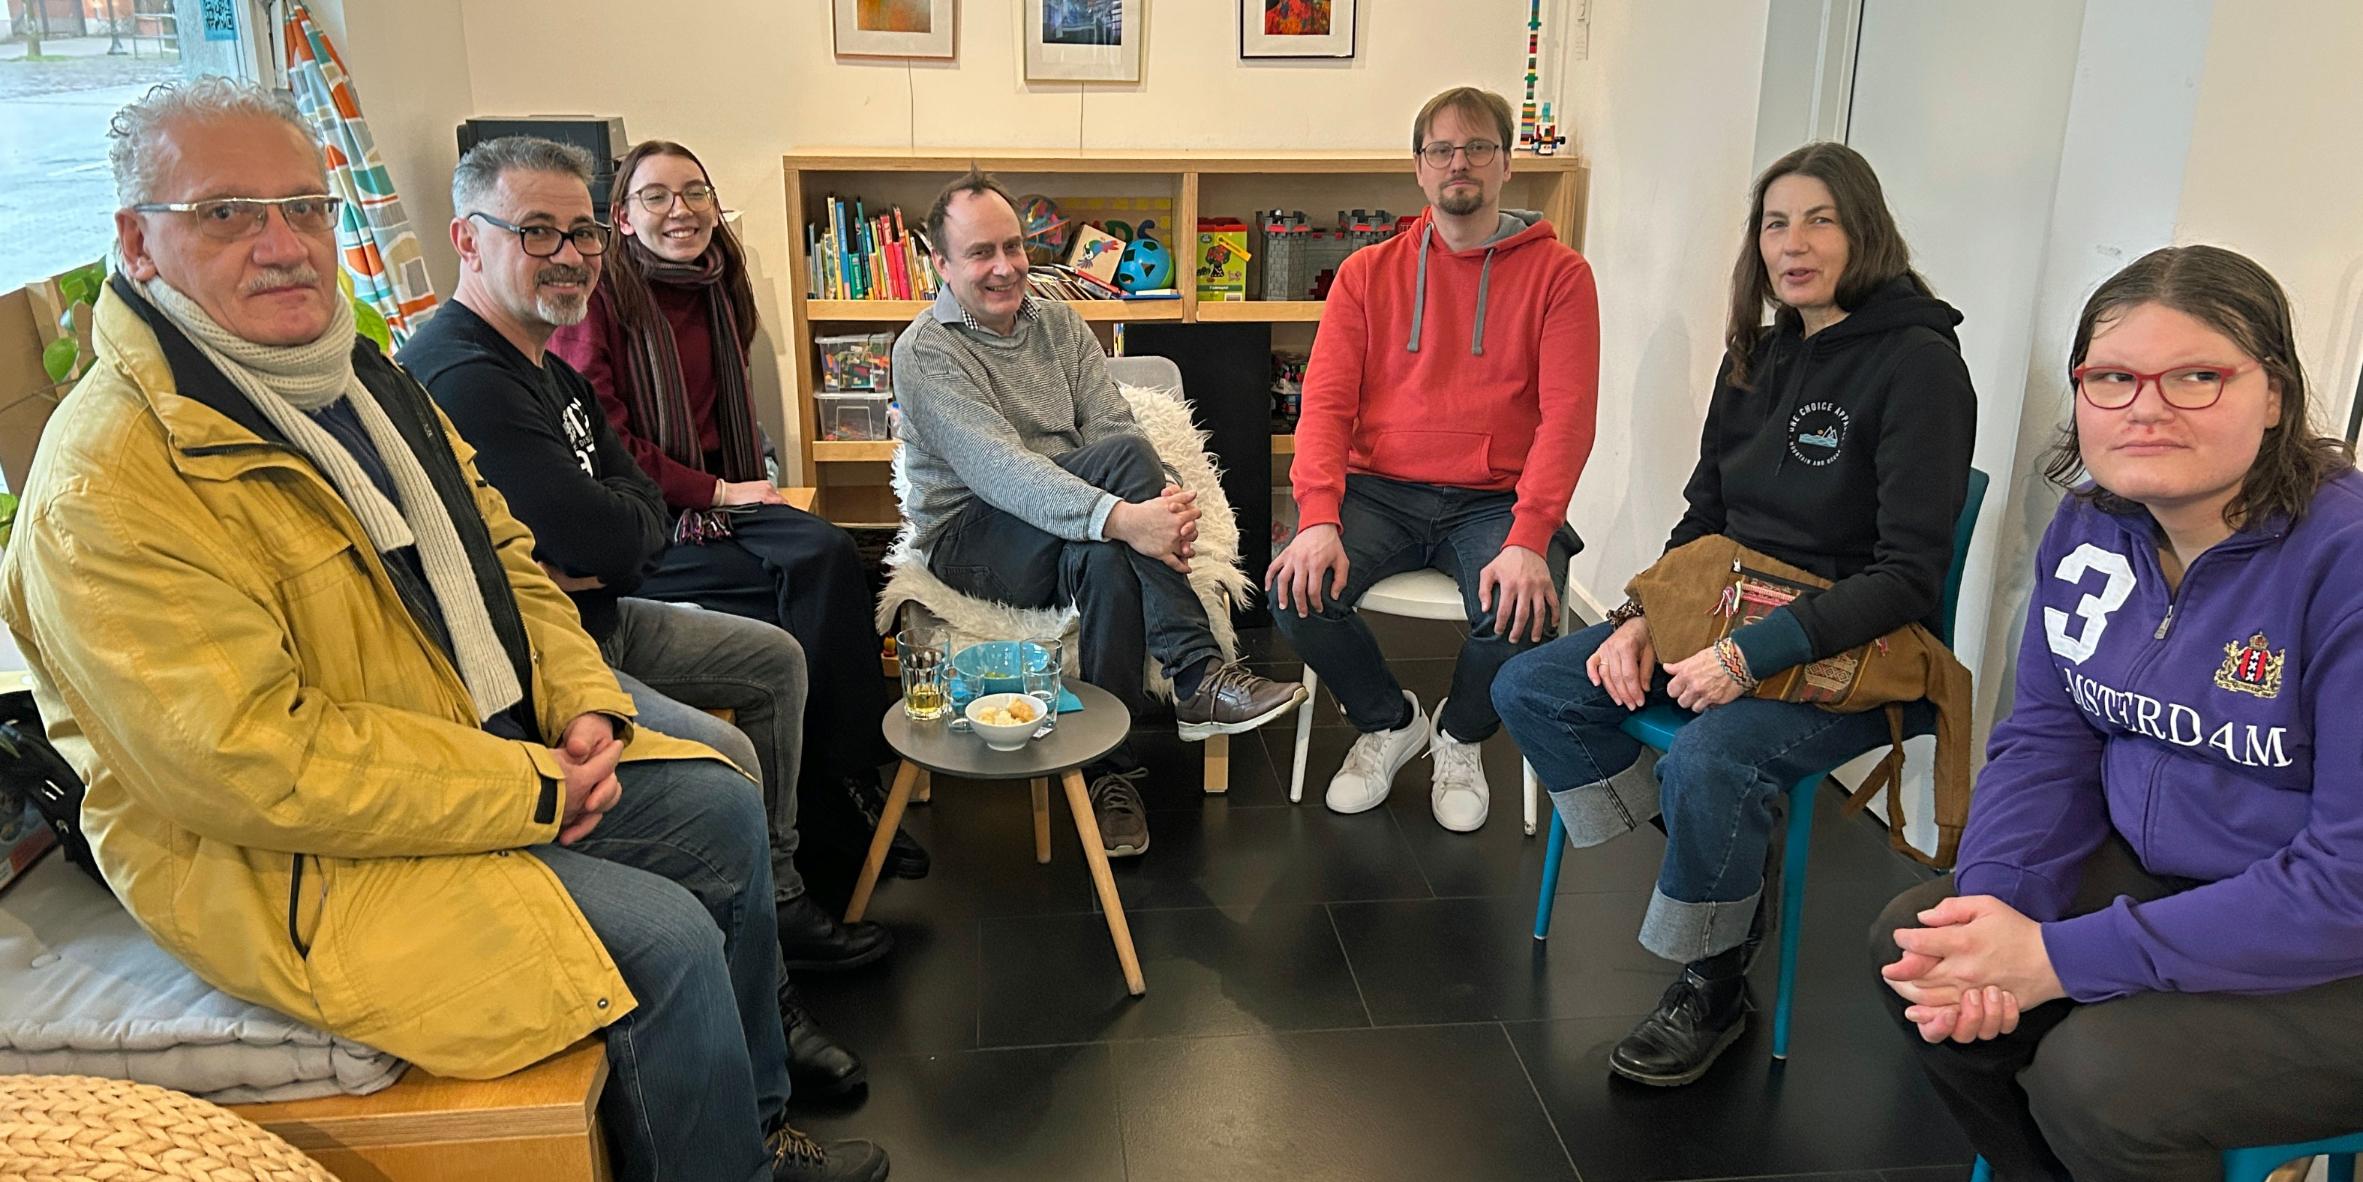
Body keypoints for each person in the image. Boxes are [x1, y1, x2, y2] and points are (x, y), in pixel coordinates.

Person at [0, 80, 885, 1181]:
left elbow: (506, 554)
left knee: (715, 800)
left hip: (478, 751)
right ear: (137, 242)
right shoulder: (111, 484)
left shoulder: (356, 379)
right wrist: (528, 785)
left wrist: (585, 702)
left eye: (305, 207)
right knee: (661, 940)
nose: (281, 244)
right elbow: (249, 766)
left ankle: (750, 1120)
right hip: (293, 861)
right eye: (226, 212)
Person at [403, 136, 889, 1104]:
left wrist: (619, 528)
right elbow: (615, 518)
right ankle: (776, 990)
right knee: (728, 759)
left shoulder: (542, 353)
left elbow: (618, 507)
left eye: (578, 230)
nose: (569, 252)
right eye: (536, 230)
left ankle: (787, 888)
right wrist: (625, 526)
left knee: (778, 660)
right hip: (554, 655)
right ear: (466, 238)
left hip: (608, 605)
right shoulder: (466, 373)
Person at [1869, 246, 2363, 1182]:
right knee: (1922, 949)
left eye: (2195, 376)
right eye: (2111, 377)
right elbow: (2050, 737)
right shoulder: (2091, 525)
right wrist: (1996, 909)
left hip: (2335, 933)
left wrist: (2059, 958)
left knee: (2100, 1081)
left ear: (2275, 394)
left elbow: (2349, 885)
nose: (2145, 405)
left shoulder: (2345, 562)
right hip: (2170, 871)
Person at [1492, 141, 1976, 1086]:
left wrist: (1748, 658)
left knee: (1712, 758)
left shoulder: (1919, 366)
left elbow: (1907, 576)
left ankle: (1710, 979)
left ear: (1864, 228)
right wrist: (1641, 615)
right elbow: (1704, 517)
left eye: (1818, 220)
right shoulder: (1756, 350)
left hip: (1850, 640)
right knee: (1535, 685)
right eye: (1773, 224)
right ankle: (1725, 871)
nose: (1791, 245)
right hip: (1719, 603)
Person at [890, 168, 1308, 857]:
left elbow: (1117, 431)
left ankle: (1105, 774)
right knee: (1116, 515)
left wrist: (1162, 503)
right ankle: (1196, 672)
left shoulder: (1057, 322)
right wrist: (1126, 513)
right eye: (980, 254)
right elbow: (1000, 470)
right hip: (974, 539)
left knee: (1108, 552)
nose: (1004, 268)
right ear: (940, 264)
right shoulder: (925, 351)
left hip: (1066, 526)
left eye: (1013, 247)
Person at [547, 140, 926, 885]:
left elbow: (729, 420)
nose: (679, 210)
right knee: (812, 580)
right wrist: (717, 494)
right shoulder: (596, 303)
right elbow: (610, 447)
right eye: (655, 196)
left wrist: (740, 487)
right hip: (647, 525)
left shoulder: (719, 286)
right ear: (621, 217)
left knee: (831, 559)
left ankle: (840, 800)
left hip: (721, 506)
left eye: (694, 192)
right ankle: (841, 804)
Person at [1266, 86, 1599, 832]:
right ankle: (1390, 723)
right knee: (1292, 591)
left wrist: (1529, 534)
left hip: (1493, 498)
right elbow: (1323, 406)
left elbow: (1568, 420)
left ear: (1506, 164)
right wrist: (1317, 516)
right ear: (1418, 168)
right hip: (1378, 489)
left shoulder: (1560, 277)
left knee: (1524, 610)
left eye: (1477, 147)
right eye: (1441, 149)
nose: (1459, 163)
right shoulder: (1365, 275)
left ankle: (1459, 736)